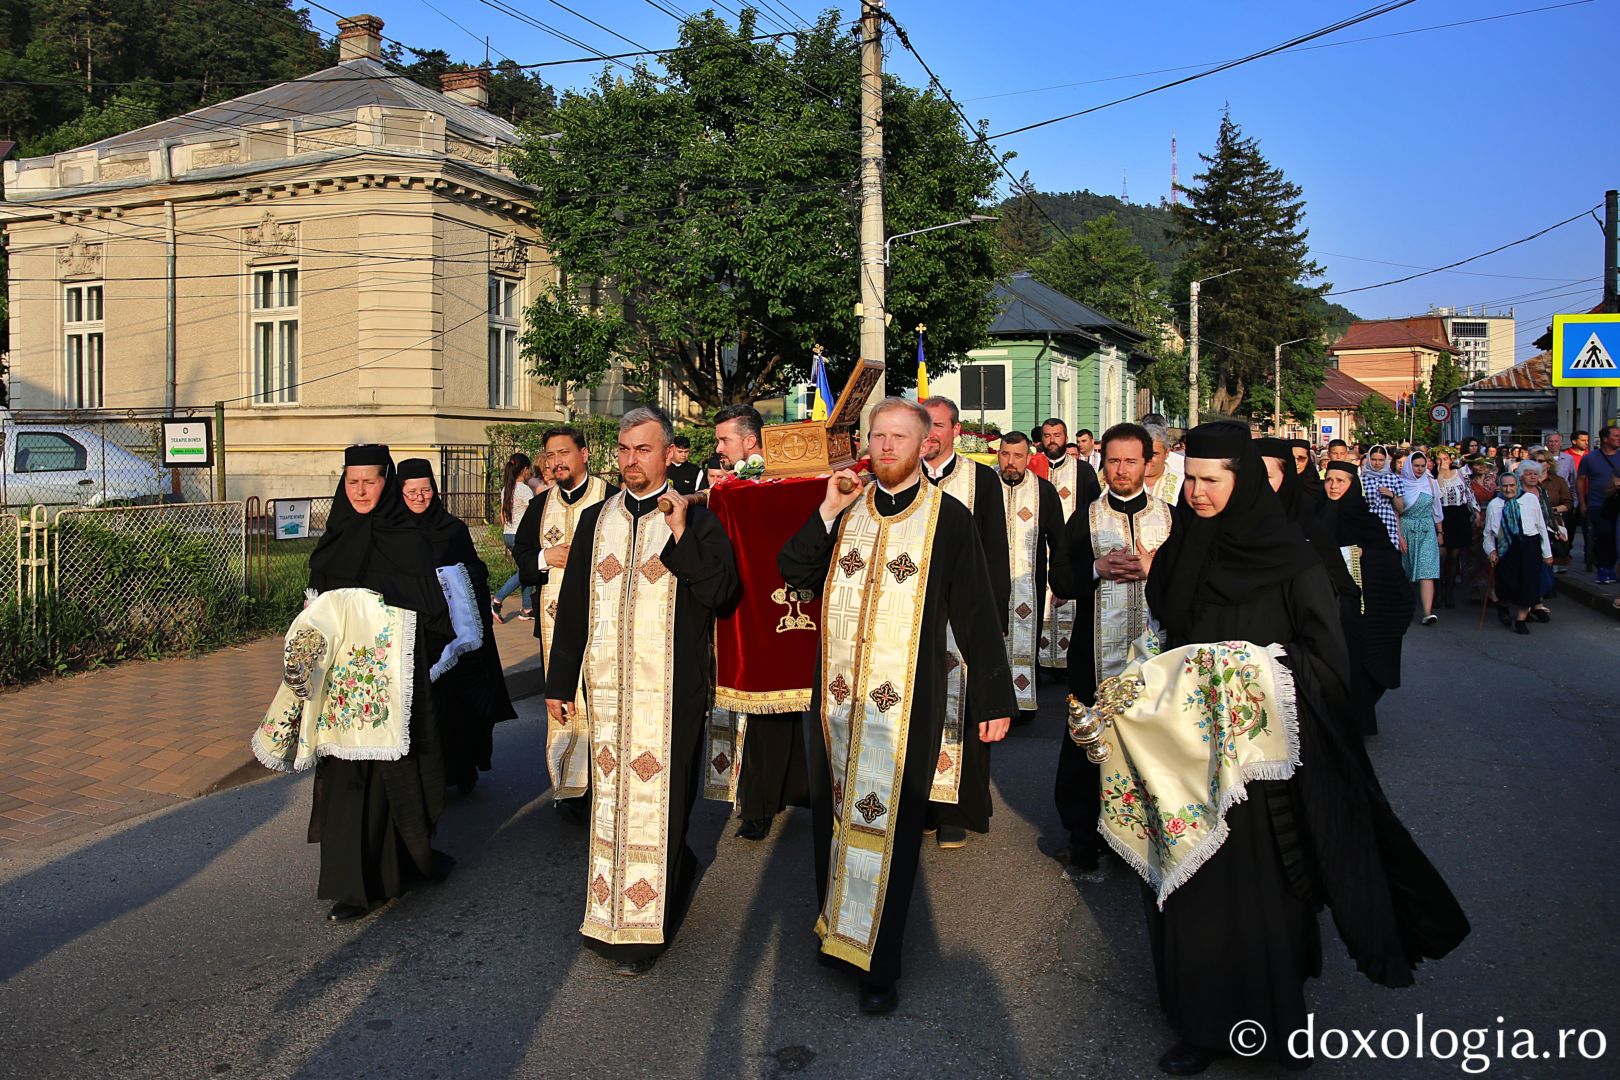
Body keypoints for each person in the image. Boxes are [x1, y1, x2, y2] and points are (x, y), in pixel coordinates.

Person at [1140, 421, 1468, 1074]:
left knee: (1263, 889)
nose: (1198, 493)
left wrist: (1257, 672)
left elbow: (1327, 657)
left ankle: (1277, 1024)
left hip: (1266, 761)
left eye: (1212, 481)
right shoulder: (1182, 548)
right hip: (1190, 756)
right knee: (1192, 884)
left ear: (1244, 482)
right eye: (1193, 481)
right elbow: (1165, 628)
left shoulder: (1291, 556)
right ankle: (1201, 1026)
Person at [778, 398, 1015, 1015]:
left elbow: (978, 614)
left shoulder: (949, 519)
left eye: (899, 437)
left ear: (924, 443)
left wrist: (994, 696)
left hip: (905, 704)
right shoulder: (844, 508)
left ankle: (879, 965)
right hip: (831, 700)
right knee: (834, 817)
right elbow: (792, 572)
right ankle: (837, 933)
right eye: (877, 436)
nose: (886, 447)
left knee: (891, 827)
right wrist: (826, 510)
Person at [543, 407, 739, 976]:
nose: (631, 460)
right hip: (608, 690)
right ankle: (610, 912)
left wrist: (679, 531)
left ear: (670, 454)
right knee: (613, 798)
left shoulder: (696, 517)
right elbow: (574, 603)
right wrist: (560, 683)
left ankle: (648, 924)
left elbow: (722, 593)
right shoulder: (597, 520)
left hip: (671, 690)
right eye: (624, 450)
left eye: (643, 449)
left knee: (661, 799)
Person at [306, 445, 458, 921]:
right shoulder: (333, 540)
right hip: (344, 689)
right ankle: (352, 887)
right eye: (352, 482)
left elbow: (434, 614)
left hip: (394, 685)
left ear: (385, 482)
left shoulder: (409, 539)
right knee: (349, 779)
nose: (361, 491)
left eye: (370, 481)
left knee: (395, 775)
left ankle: (403, 865)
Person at [1058, 422, 1172, 875]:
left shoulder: (1169, 517)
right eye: (1113, 461)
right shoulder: (1084, 517)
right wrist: (1096, 567)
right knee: (1088, 744)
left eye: (1131, 461)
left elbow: (1189, 586)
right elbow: (1060, 579)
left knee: (1152, 748)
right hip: (1091, 655)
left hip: (1156, 658)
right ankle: (1085, 838)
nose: (1121, 470)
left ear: (1149, 464)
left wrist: (1153, 570)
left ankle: (1150, 840)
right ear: (1102, 464)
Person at [708, 403, 810, 843]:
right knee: (760, 717)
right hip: (744, 611)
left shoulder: (769, 485)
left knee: (801, 712)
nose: (718, 450)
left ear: (751, 442)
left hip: (785, 607)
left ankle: (790, 798)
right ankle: (760, 804)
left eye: (724, 441)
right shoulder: (726, 486)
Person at [921, 397, 1012, 850]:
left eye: (937, 425)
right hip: (916, 612)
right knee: (919, 708)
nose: (929, 434)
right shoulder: (902, 476)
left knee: (965, 710)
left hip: (966, 613)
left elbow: (997, 549)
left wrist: (994, 615)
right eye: (924, 426)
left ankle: (954, 809)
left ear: (956, 430)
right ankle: (918, 802)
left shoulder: (982, 479)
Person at [512, 426, 615, 823]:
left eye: (563, 453)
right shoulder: (541, 505)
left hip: (604, 620)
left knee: (603, 700)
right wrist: (544, 557)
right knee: (566, 699)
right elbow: (521, 555)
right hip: (557, 625)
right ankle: (571, 789)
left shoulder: (610, 498)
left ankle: (608, 783)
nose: (556, 463)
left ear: (584, 454)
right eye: (549, 456)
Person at [398, 458, 516, 794]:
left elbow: (476, 571)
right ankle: (425, 777)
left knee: (458, 707)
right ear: (400, 493)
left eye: (426, 490)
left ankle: (463, 770)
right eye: (411, 492)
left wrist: (454, 581)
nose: (420, 497)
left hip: (454, 635)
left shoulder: (453, 529)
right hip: (416, 639)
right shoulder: (392, 533)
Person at [1321, 461, 1412, 736]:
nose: (1333, 485)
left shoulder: (1366, 519)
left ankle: (1354, 720)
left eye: (1341, 481)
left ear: (1353, 485)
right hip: (1324, 602)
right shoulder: (1315, 516)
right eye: (1329, 479)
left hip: (1361, 604)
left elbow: (1389, 559)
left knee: (1359, 662)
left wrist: (1365, 556)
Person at [995, 432, 1072, 725]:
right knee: (991, 641)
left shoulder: (1044, 491)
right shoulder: (986, 486)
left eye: (1017, 456)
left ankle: (1023, 702)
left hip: (1031, 580)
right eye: (1005, 454)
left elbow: (1059, 541)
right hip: (990, 582)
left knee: (1027, 639)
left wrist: (1060, 581)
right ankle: (995, 703)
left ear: (1028, 458)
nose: (1010, 462)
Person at [1037, 417, 1101, 672]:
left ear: (1066, 438)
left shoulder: (1083, 471)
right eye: (1047, 435)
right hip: (1039, 549)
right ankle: (1039, 663)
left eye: (1057, 435)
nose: (1052, 440)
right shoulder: (1033, 468)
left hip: (1072, 549)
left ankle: (1067, 665)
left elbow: (1094, 509)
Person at [1484, 471, 1554, 635]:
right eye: (1505, 486)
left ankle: (1521, 619)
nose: (1508, 489)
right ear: (1500, 487)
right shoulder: (1495, 504)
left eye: (1512, 485)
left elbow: (1541, 526)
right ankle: (1503, 606)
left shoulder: (1530, 499)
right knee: (1507, 584)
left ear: (1517, 485)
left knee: (1528, 582)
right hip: (1505, 546)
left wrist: (1547, 553)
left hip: (1529, 544)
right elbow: (1488, 533)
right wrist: (1491, 550)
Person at [1393, 451, 1442, 625]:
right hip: (1406, 528)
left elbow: (1437, 510)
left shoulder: (1431, 482)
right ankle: (1402, 608)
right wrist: (1399, 536)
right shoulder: (1399, 483)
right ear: (1409, 466)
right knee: (1405, 569)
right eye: (1416, 466)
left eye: (1423, 465)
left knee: (1426, 569)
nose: (1420, 469)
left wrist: (1440, 533)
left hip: (1427, 529)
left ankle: (1427, 612)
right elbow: (1396, 513)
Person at [1433, 447, 1479, 609]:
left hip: (1459, 517)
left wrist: (1476, 513)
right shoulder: (1432, 477)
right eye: (1439, 459)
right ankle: (1438, 593)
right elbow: (1435, 497)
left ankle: (1450, 593)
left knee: (1454, 557)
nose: (1442, 462)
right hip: (1442, 517)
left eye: (1445, 459)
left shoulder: (1460, 474)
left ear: (1450, 460)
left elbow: (1469, 494)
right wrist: (1438, 474)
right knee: (1441, 556)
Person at [492, 453, 535, 621]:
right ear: (524, 470)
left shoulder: (507, 489)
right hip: (520, 536)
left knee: (523, 569)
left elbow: (503, 514)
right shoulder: (525, 490)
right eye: (529, 469)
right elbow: (532, 514)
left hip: (508, 534)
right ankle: (497, 600)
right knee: (527, 569)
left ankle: (526, 608)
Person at [1516, 460, 1559, 622]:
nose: (1533, 477)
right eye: (1529, 474)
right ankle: (1526, 606)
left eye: (1535, 474)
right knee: (1526, 572)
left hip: (1543, 533)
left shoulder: (1541, 490)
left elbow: (1547, 512)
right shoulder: (1517, 491)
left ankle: (1536, 603)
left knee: (1543, 571)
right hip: (1524, 536)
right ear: (1521, 476)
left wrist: (1555, 529)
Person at [1576, 425, 1620, 583]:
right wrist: (1582, 503)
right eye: (1615, 435)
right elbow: (1580, 480)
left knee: (1616, 537)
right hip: (1597, 503)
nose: (1619, 438)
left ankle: (1612, 568)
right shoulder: (1590, 458)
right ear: (1605, 439)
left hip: (1617, 504)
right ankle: (1602, 568)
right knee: (1603, 535)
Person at [1533, 450, 1573, 573]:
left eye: (1540, 461)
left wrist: (1551, 510)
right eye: (1534, 460)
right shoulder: (1528, 480)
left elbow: (1568, 503)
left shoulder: (1558, 481)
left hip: (1552, 522)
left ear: (1549, 464)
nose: (1536, 463)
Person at [1360, 444, 1403, 547]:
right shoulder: (1362, 479)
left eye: (1381, 460)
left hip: (1388, 523)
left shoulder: (1394, 479)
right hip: (1368, 522)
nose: (1377, 463)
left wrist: (1391, 495)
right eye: (1374, 459)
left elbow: (1401, 508)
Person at [1142, 420, 1183, 505]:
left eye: (1154, 454)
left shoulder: (1182, 483)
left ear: (1167, 453)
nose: (1148, 458)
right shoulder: (1118, 481)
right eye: (1143, 453)